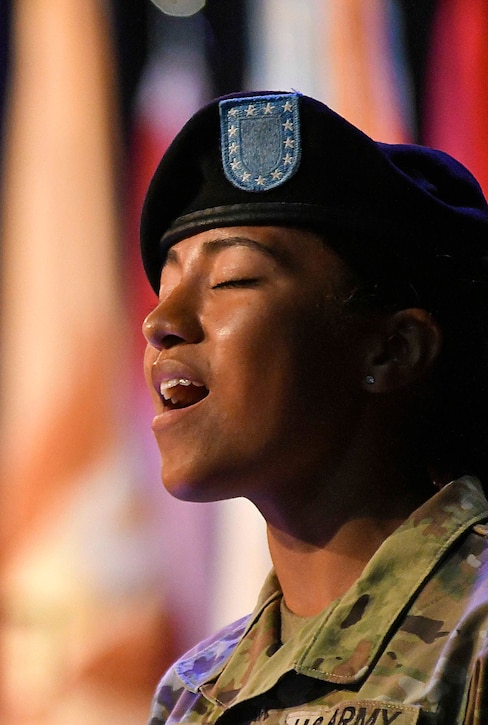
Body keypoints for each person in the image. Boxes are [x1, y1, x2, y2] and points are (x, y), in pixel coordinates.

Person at [139, 90, 488, 724]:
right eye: (166, 285)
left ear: (392, 351)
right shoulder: (195, 694)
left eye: (232, 279)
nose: (161, 322)